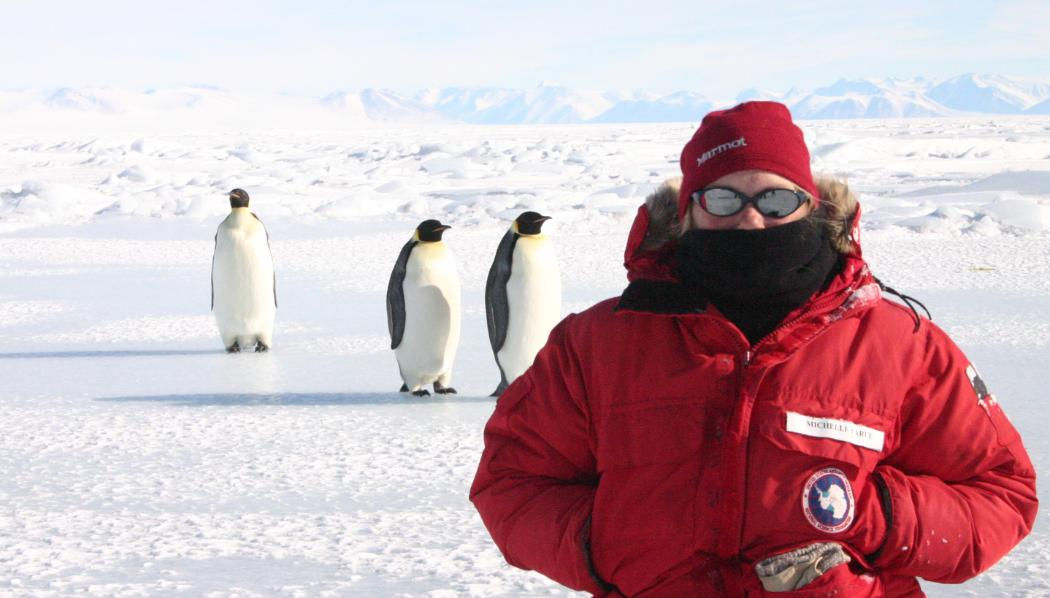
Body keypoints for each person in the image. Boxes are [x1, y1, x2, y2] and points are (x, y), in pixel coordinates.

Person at [469, 101, 1037, 597]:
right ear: (687, 211)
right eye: (721, 197)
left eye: (775, 198)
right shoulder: (598, 344)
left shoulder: (898, 346)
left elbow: (1001, 494)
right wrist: (608, 541)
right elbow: (512, 482)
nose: (750, 218)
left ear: (811, 207)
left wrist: (878, 515)